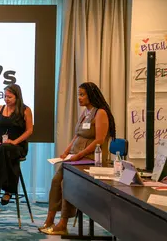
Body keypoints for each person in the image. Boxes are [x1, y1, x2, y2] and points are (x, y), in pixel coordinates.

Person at [40, 82, 116, 235]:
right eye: (78, 94)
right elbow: (77, 134)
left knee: (66, 184)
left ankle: (63, 224)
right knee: (56, 181)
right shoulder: (85, 113)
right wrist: (67, 151)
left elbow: (99, 140)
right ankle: (49, 219)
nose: (79, 98)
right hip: (74, 158)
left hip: (90, 159)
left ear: (91, 95)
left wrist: (78, 155)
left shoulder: (100, 113)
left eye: (82, 94)